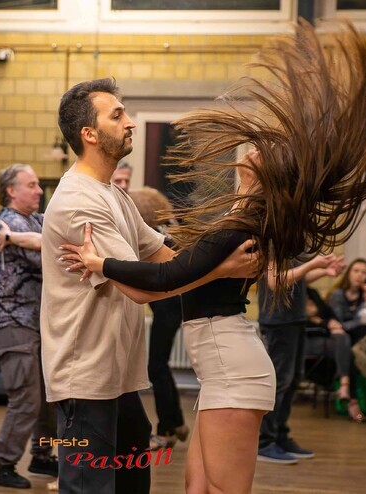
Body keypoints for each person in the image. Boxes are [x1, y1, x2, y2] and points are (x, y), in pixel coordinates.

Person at [58, 20, 366, 494]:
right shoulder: (236, 219)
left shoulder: (243, 224)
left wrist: (100, 264)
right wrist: (215, 268)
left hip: (234, 369)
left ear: (266, 172)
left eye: (263, 149)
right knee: (197, 488)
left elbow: (166, 275)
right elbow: (175, 257)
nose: (253, 147)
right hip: (221, 369)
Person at [41, 78, 261, 494]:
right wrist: (222, 269)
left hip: (118, 376)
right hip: (84, 377)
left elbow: (170, 259)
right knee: (88, 487)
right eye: (117, 115)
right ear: (89, 134)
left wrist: (242, 207)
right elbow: (143, 288)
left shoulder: (113, 195)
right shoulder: (78, 201)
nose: (130, 122)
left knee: (131, 484)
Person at [0, 163, 58, 489]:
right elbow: (51, 254)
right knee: (27, 397)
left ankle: (42, 456)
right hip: (13, 320)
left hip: (34, 321)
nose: (39, 190)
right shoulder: (8, 222)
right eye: (31, 185)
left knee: (46, 396)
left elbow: (58, 236)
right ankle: (3, 464)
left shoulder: (34, 221)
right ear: (11, 191)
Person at [256, 255, 346, 465]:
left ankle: (280, 436)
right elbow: (275, 281)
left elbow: (296, 277)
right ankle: (264, 443)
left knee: (294, 379)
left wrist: (323, 272)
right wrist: (313, 264)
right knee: (279, 383)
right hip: (278, 320)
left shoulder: (292, 245)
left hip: (294, 319)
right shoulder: (273, 243)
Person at [127, 187, 189, 451]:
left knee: (156, 367)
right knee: (160, 365)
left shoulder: (152, 236)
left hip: (168, 305)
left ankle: (167, 429)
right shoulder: (168, 230)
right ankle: (177, 423)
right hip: (174, 304)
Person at [327, 258, 366, 422]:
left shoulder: (364, 296)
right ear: (348, 273)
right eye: (356, 271)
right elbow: (339, 323)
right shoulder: (338, 295)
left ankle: (355, 396)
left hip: (356, 339)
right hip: (338, 339)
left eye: (364, 272)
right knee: (353, 348)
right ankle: (353, 399)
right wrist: (360, 320)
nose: (359, 275)